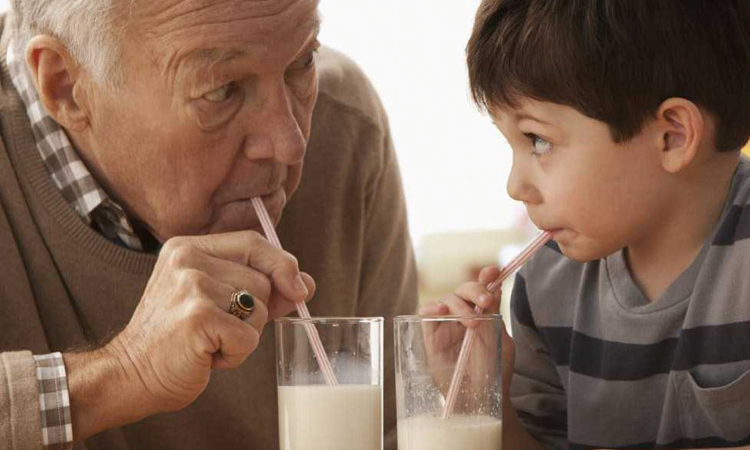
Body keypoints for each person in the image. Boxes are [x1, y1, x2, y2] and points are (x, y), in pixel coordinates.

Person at [0, 0, 417, 449]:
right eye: (223, 91)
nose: (288, 144)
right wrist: (124, 373)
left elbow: (401, 431)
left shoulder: (345, 127)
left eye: (303, 61)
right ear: (66, 87)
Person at [425, 0, 750, 448]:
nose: (515, 185)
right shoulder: (547, 281)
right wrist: (479, 402)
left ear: (672, 136)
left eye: (538, 141)